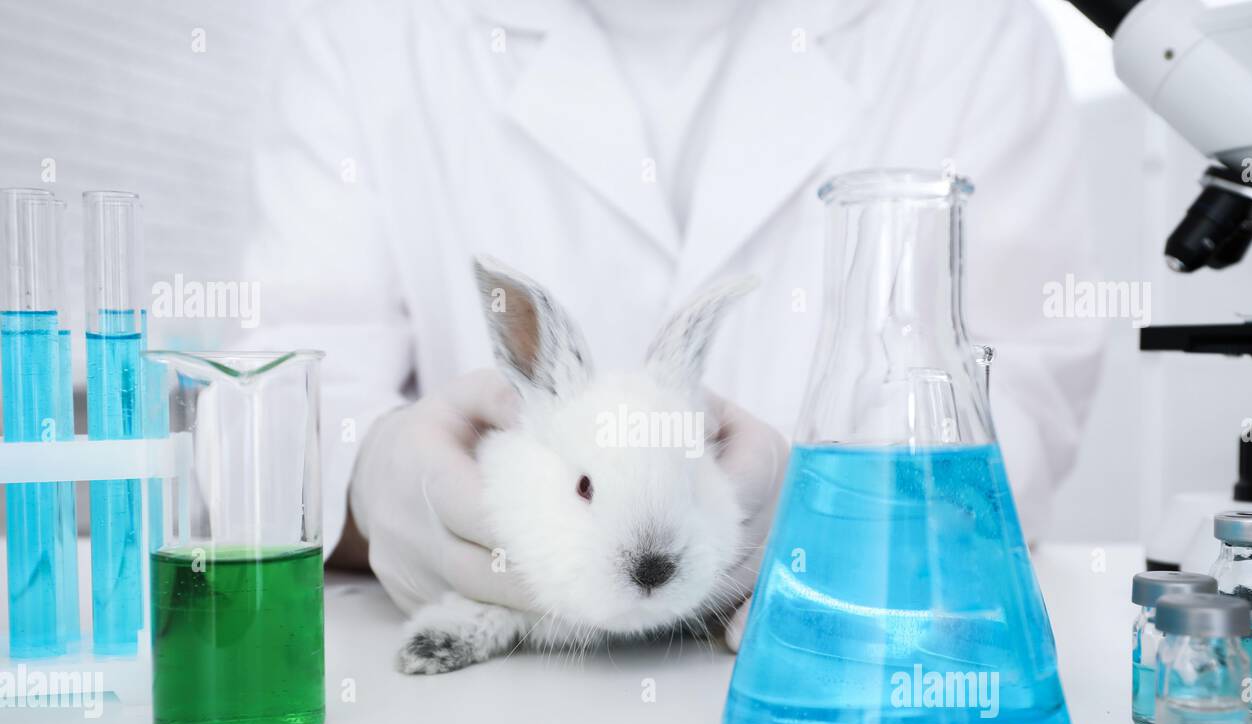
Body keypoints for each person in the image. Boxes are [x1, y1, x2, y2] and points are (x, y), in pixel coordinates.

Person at [244, 0, 1103, 647]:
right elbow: (272, 391)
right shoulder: (366, 29)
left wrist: (849, 521)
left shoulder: (967, 28)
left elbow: (1015, 392)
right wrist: (373, 482)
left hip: (805, 670)